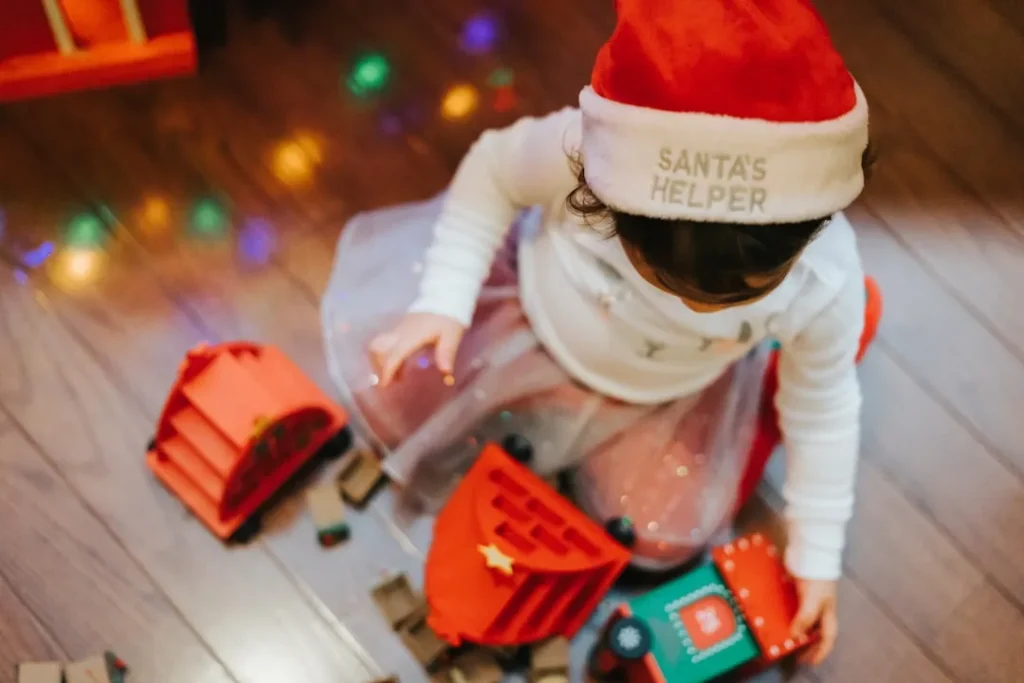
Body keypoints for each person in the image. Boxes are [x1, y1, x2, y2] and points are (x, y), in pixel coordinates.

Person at [321, 0, 880, 665]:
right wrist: (443, 301)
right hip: (529, 320)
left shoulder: (826, 276)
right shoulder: (580, 154)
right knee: (385, 384)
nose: (701, 312)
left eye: (735, 296)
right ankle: (545, 412)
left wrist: (816, 552)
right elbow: (495, 170)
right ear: (602, 193)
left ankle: (777, 389)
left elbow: (824, 410)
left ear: (809, 230)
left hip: (663, 389)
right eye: (670, 282)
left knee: (664, 537)